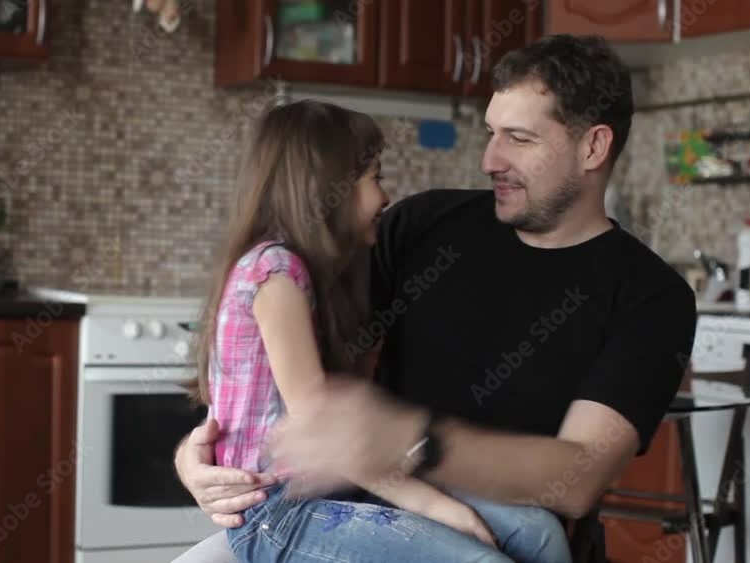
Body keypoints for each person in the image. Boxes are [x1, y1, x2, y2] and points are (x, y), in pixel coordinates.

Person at [175, 34, 697, 562]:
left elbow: (577, 479)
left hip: (501, 531)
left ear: (593, 147)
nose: (490, 159)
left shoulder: (653, 297)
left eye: (519, 138)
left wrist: (408, 440)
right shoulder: (421, 224)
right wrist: (198, 459)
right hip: (348, 505)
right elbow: (286, 373)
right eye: (491, 133)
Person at [192, 98, 572, 563]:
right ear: (326, 189)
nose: (386, 196)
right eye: (375, 177)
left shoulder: (323, 273)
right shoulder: (275, 273)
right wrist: (438, 506)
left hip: (335, 490)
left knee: (538, 532)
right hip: (280, 512)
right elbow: (325, 427)